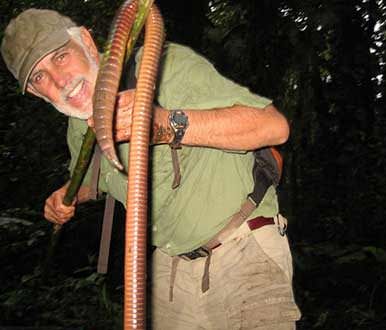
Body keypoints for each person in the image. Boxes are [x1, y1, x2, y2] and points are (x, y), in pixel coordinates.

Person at [2, 8, 301, 329]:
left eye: (60, 57)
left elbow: (273, 127)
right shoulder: (79, 129)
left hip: (242, 249)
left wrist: (166, 124)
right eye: (39, 76)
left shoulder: (158, 67)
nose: (59, 81)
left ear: (86, 41)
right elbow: (94, 181)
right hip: (168, 269)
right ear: (35, 92)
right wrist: (67, 196)